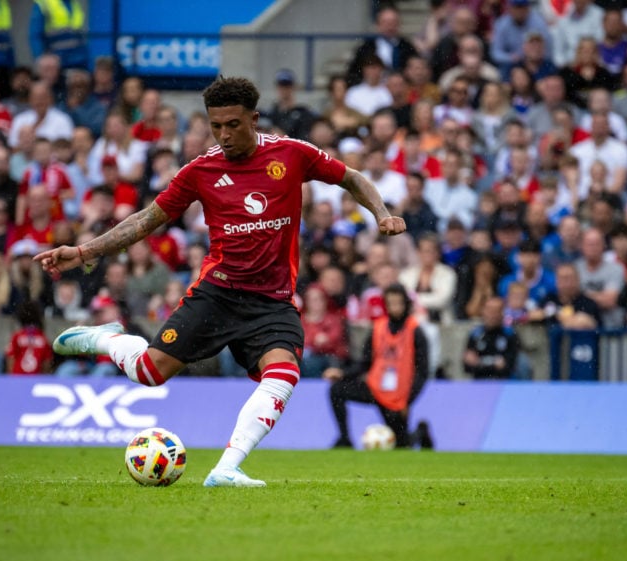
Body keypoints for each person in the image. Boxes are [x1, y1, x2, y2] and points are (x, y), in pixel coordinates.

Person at [35, 76, 406, 488]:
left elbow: (352, 177)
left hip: (272, 302)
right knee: (148, 374)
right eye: (216, 126)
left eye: (233, 124)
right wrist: (84, 252)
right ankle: (106, 339)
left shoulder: (292, 154)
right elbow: (145, 220)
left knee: (283, 373)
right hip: (217, 295)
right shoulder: (201, 170)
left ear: (254, 119)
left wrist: (381, 212)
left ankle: (227, 467)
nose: (224, 135)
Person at [325, 283, 430, 449]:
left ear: (406, 304)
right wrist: (343, 374)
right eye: (391, 303)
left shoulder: (415, 331)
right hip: (374, 388)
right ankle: (345, 438)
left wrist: (407, 401)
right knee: (336, 390)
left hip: (397, 397)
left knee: (401, 445)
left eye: (398, 303)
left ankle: (421, 432)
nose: (394, 307)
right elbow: (365, 363)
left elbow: (422, 372)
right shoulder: (378, 328)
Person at [464, 295, 521, 379]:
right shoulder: (475, 334)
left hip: (504, 383)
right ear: (483, 311)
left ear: (502, 313)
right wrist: (493, 364)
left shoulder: (510, 334)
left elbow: (509, 365)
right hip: (480, 382)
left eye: (495, 311)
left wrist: (480, 363)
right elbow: (467, 366)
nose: (492, 315)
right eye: (489, 310)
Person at [28, 0, 88, 70]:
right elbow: (35, 35)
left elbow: (79, 35)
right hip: (56, 63)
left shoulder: (74, 3)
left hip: (79, 59)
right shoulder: (45, 3)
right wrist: (41, 58)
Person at [5, 300, 52, 374]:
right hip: (35, 379)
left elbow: (10, 359)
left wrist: (11, 378)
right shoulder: (43, 338)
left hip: (18, 377)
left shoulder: (17, 336)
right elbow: (47, 363)